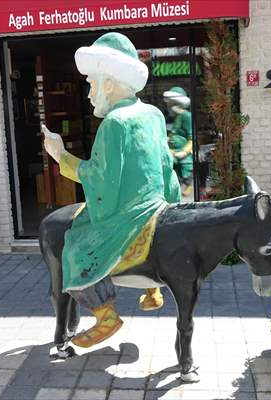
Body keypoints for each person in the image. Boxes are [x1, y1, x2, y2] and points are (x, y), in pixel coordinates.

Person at [42, 32, 181, 348]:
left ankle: (105, 315)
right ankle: (152, 288)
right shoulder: (154, 115)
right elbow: (166, 170)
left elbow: (100, 180)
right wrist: (172, 207)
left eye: (91, 84)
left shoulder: (115, 123)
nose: (89, 93)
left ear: (108, 83)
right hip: (159, 209)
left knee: (75, 247)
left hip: (130, 215)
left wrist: (60, 155)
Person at [163, 86, 193, 198]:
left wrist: (185, 152)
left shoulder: (186, 116)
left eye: (169, 104)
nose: (168, 107)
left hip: (183, 154)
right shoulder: (174, 118)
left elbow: (192, 138)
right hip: (172, 152)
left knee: (185, 168)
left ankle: (187, 184)